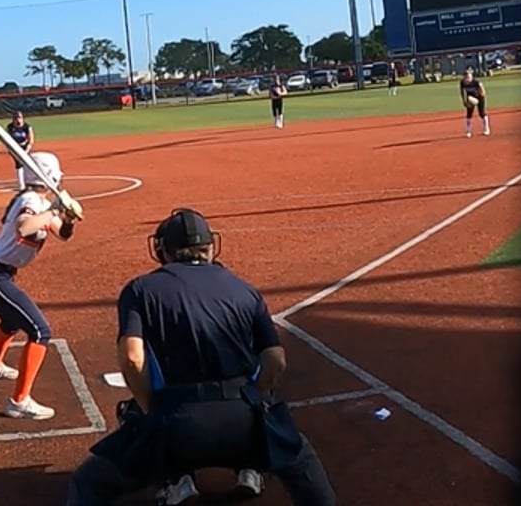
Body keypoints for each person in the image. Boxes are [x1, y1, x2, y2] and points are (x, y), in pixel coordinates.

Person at [65, 208, 338, 506]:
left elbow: (132, 359)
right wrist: (253, 399)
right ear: (210, 247)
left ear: (162, 250)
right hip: (243, 419)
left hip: (176, 421)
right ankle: (251, 470)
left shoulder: (140, 289)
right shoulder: (244, 289)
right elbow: (275, 360)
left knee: (89, 483)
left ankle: (177, 479)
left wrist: (151, 410)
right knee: (302, 463)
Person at [0, 151, 78, 421]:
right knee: (40, 331)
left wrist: (68, 218)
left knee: (11, 321)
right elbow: (24, 227)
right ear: (49, 177)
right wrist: (54, 209)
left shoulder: (40, 202)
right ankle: (19, 402)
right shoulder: (30, 201)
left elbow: (63, 234)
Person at [7, 110, 36, 190]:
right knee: (19, 163)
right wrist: (10, 149)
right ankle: (21, 185)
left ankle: (29, 181)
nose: (18, 120)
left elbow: (31, 139)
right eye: (16, 118)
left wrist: (27, 149)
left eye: (19, 118)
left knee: (26, 164)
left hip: (24, 147)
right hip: (14, 147)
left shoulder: (27, 127)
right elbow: (7, 138)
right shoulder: (10, 127)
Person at [460, 68, 490, 137]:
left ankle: (486, 129)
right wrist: (464, 101)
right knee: (469, 114)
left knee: (482, 113)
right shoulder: (462, 82)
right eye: (465, 76)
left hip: (480, 97)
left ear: (471, 76)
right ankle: (468, 131)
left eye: (468, 76)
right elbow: (462, 92)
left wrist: (477, 97)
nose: (466, 78)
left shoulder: (476, 82)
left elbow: (483, 92)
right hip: (470, 98)